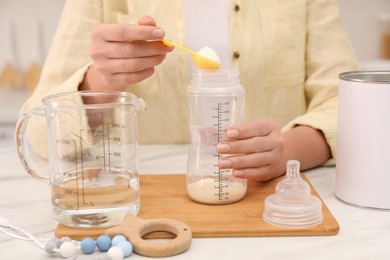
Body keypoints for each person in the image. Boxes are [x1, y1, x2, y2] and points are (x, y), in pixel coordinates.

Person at [20, 0, 358, 181]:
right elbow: (37, 136)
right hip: (137, 203)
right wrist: (102, 81)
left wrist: (284, 152)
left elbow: (351, 107)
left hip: (267, 203)